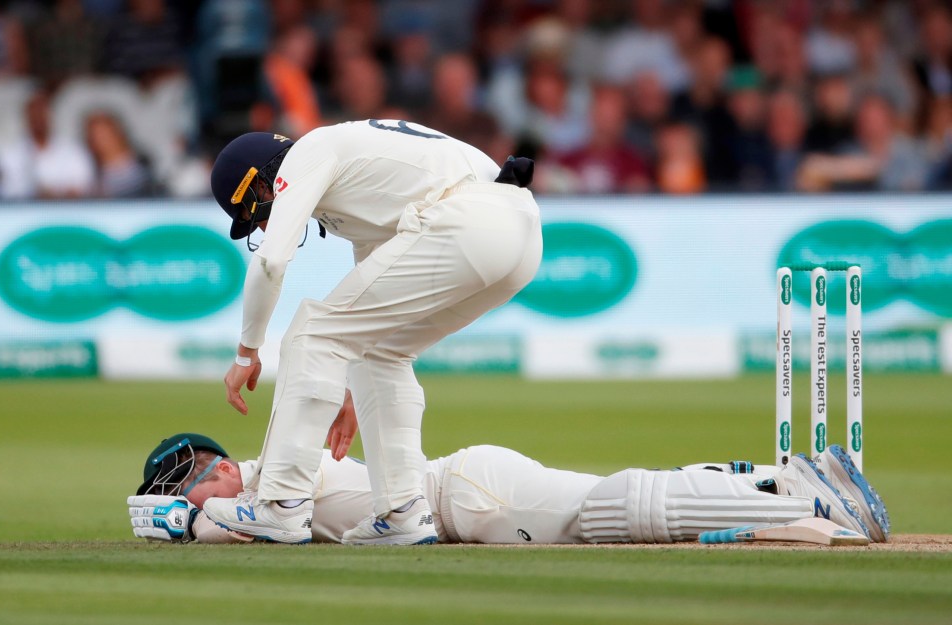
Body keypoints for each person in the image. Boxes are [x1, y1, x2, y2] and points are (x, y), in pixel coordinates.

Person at [206, 121, 541, 546]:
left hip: (469, 221)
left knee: (312, 333)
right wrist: (344, 384)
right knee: (378, 352)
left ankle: (281, 506)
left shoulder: (307, 153)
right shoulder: (356, 188)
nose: (260, 227)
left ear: (261, 179)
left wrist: (246, 353)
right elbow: (368, 315)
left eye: (254, 212)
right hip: (520, 235)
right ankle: (402, 512)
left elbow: (271, 263)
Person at [128, 431, 891, 545]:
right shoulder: (255, 484)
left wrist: (182, 523)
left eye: (186, 483)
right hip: (469, 487)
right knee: (608, 499)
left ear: (216, 468)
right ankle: (785, 478)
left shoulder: (272, 468)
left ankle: (807, 502)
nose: (188, 497)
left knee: (606, 512)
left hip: (466, 494)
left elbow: (267, 522)